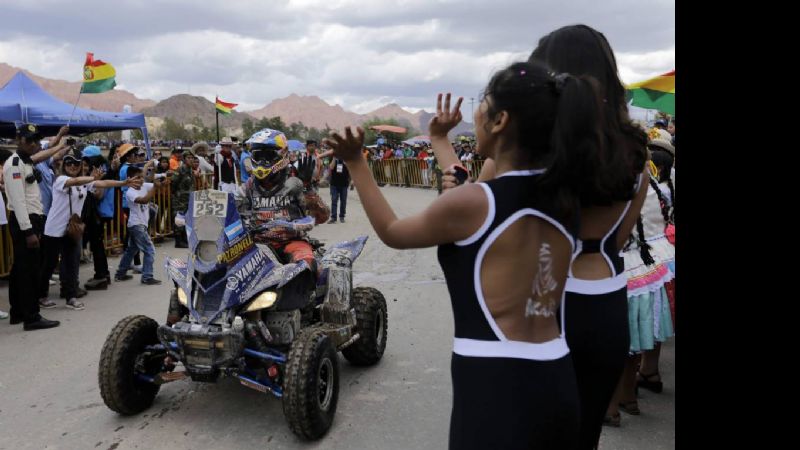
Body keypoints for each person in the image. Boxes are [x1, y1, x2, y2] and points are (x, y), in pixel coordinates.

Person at [326, 60, 610, 449]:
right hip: (557, 379)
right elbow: (472, 195)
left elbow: (393, 231)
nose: (475, 114)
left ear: (500, 121)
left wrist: (356, 161)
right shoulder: (566, 198)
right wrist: (439, 139)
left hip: (495, 388)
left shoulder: (474, 205)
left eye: (483, 103)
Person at [39, 150, 142, 309]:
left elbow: (104, 184)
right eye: (69, 163)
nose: (73, 166)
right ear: (64, 165)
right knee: (49, 264)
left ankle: (71, 297)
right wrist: (93, 178)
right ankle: (41, 295)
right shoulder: (61, 180)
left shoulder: (84, 182)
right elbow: (76, 181)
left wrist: (123, 183)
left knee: (72, 264)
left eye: (76, 163)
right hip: (54, 230)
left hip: (72, 229)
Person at [2, 124, 60, 330]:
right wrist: (28, 232)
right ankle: (31, 317)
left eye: (36, 140)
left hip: (30, 219)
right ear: (19, 140)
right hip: (24, 222)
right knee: (29, 271)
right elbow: (18, 202)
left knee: (20, 269)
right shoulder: (14, 164)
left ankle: (18, 312)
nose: (34, 143)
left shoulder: (26, 162)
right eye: (29, 140)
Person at [237, 128, 316, 275]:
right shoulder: (248, 186)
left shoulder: (294, 182)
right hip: (257, 243)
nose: (262, 161)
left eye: (268, 155)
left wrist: (308, 188)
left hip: (291, 242)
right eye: (258, 155)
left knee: (307, 265)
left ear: (282, 155)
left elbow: (322, 216)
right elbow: (232, 207)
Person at [115, 166, 162, 285]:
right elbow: (144, 200)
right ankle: (147, 277)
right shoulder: (130, 192)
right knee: (149, 249)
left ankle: (120, 274)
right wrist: (155, 187)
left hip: (140, 224)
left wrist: (161, 179)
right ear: (129, 178)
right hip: (137, 225)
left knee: (131, 250)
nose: (141, 180)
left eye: (141, 177)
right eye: (137, 177)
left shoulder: (144, 186)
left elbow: (156, 184)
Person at [327, 155, 350, 224]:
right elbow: (331, 167)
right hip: (334, 183)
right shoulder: (332, 156)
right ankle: (333, 217)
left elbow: (350, 168)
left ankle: (342, 216)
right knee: (334, 200)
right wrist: (334, 157)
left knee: (343, 201)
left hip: (344, 183)